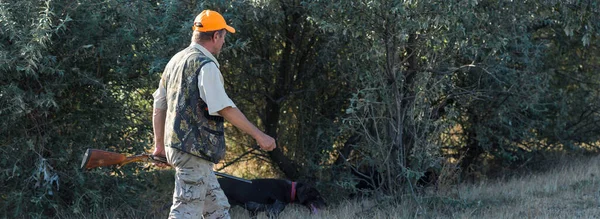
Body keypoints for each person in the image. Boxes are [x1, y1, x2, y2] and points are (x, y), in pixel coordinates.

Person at [151, 9, 276, 219]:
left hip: (184, 151)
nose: (224, 42)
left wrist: (160, 145)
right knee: (185, 211)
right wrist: (259, 135)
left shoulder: (175, 60)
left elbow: (159, 105)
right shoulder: (206, 66)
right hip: (194, 152)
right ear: (216, 36)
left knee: (217, 209)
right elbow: (224, 107)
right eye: (224, 36)